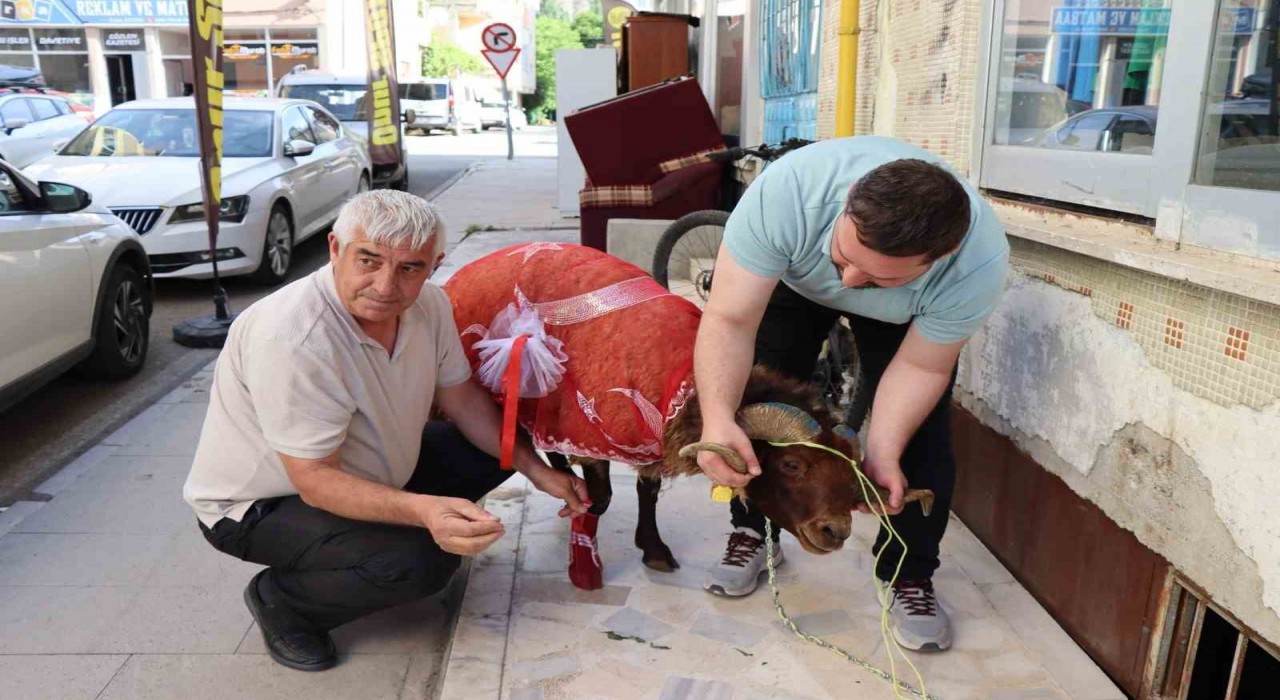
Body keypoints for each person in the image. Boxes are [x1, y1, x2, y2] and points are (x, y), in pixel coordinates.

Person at [183, 191, 589, 672]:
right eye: (368, 261)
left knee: (494, 449)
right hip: (261, 504)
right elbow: (314, 479)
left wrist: (534, 469)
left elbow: (460, 397)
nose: (385, 286)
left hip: (368, 468)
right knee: (422, 563)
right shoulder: (294, 338)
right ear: (335, 249)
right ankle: (285, 600)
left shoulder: (430, 306)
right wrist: (425, 512)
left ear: (434, 265)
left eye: (409, 268)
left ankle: (384, 530)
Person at [695, 136, 1009, 652]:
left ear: (940, 258)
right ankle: (754, 531)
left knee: (919, 444)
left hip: (904, 319)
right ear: (845, 207)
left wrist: (881, 453)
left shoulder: (976, 266)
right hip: (791, 284)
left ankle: (909, 574)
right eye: (845, 255)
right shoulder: (788, 194)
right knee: (759, 414)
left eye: (875, 275)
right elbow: (729, 320)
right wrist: (716, 419)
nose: (847, 279)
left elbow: (921, 366)